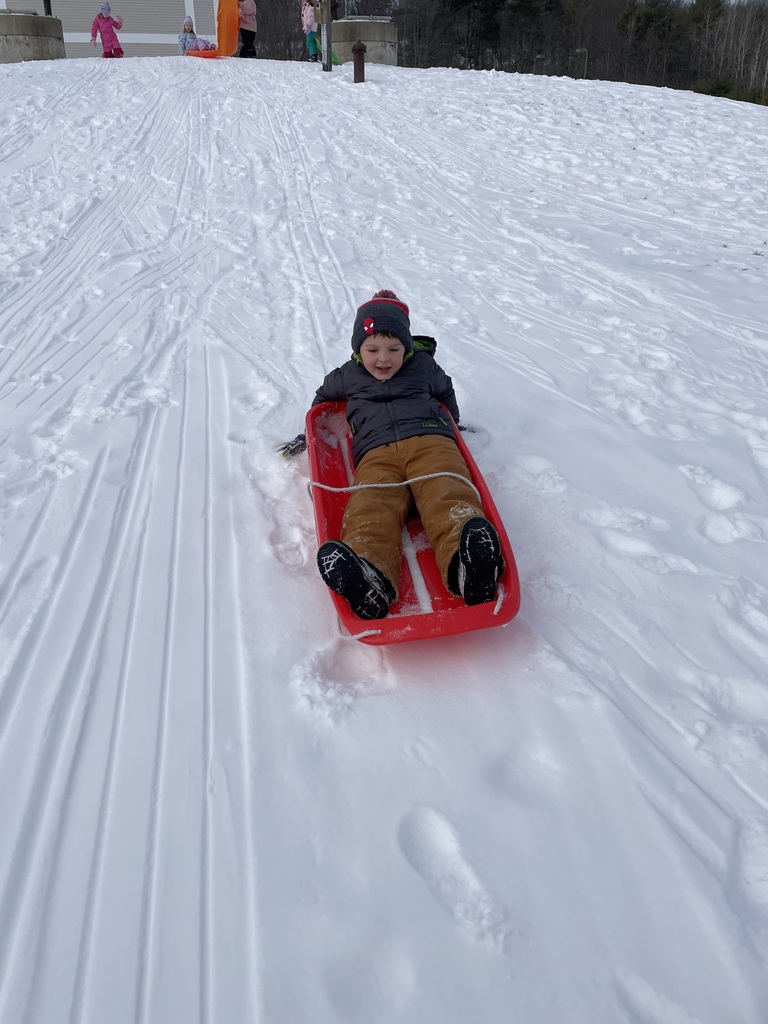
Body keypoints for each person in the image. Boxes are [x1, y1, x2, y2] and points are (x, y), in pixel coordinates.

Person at [279, 291, 504, 620]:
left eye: (394, 349)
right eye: (372, 350)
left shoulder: (423, 366)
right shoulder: (348, 374)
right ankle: (369, 575)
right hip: (376, 453)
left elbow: (445, 390)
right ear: (358, 350)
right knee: (371, 504)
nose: (382, 359)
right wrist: (307, 434)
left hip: (430, 440)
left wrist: (453, 423)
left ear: (407, 347)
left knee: (447, 491)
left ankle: (467, 566)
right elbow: (323, 397)